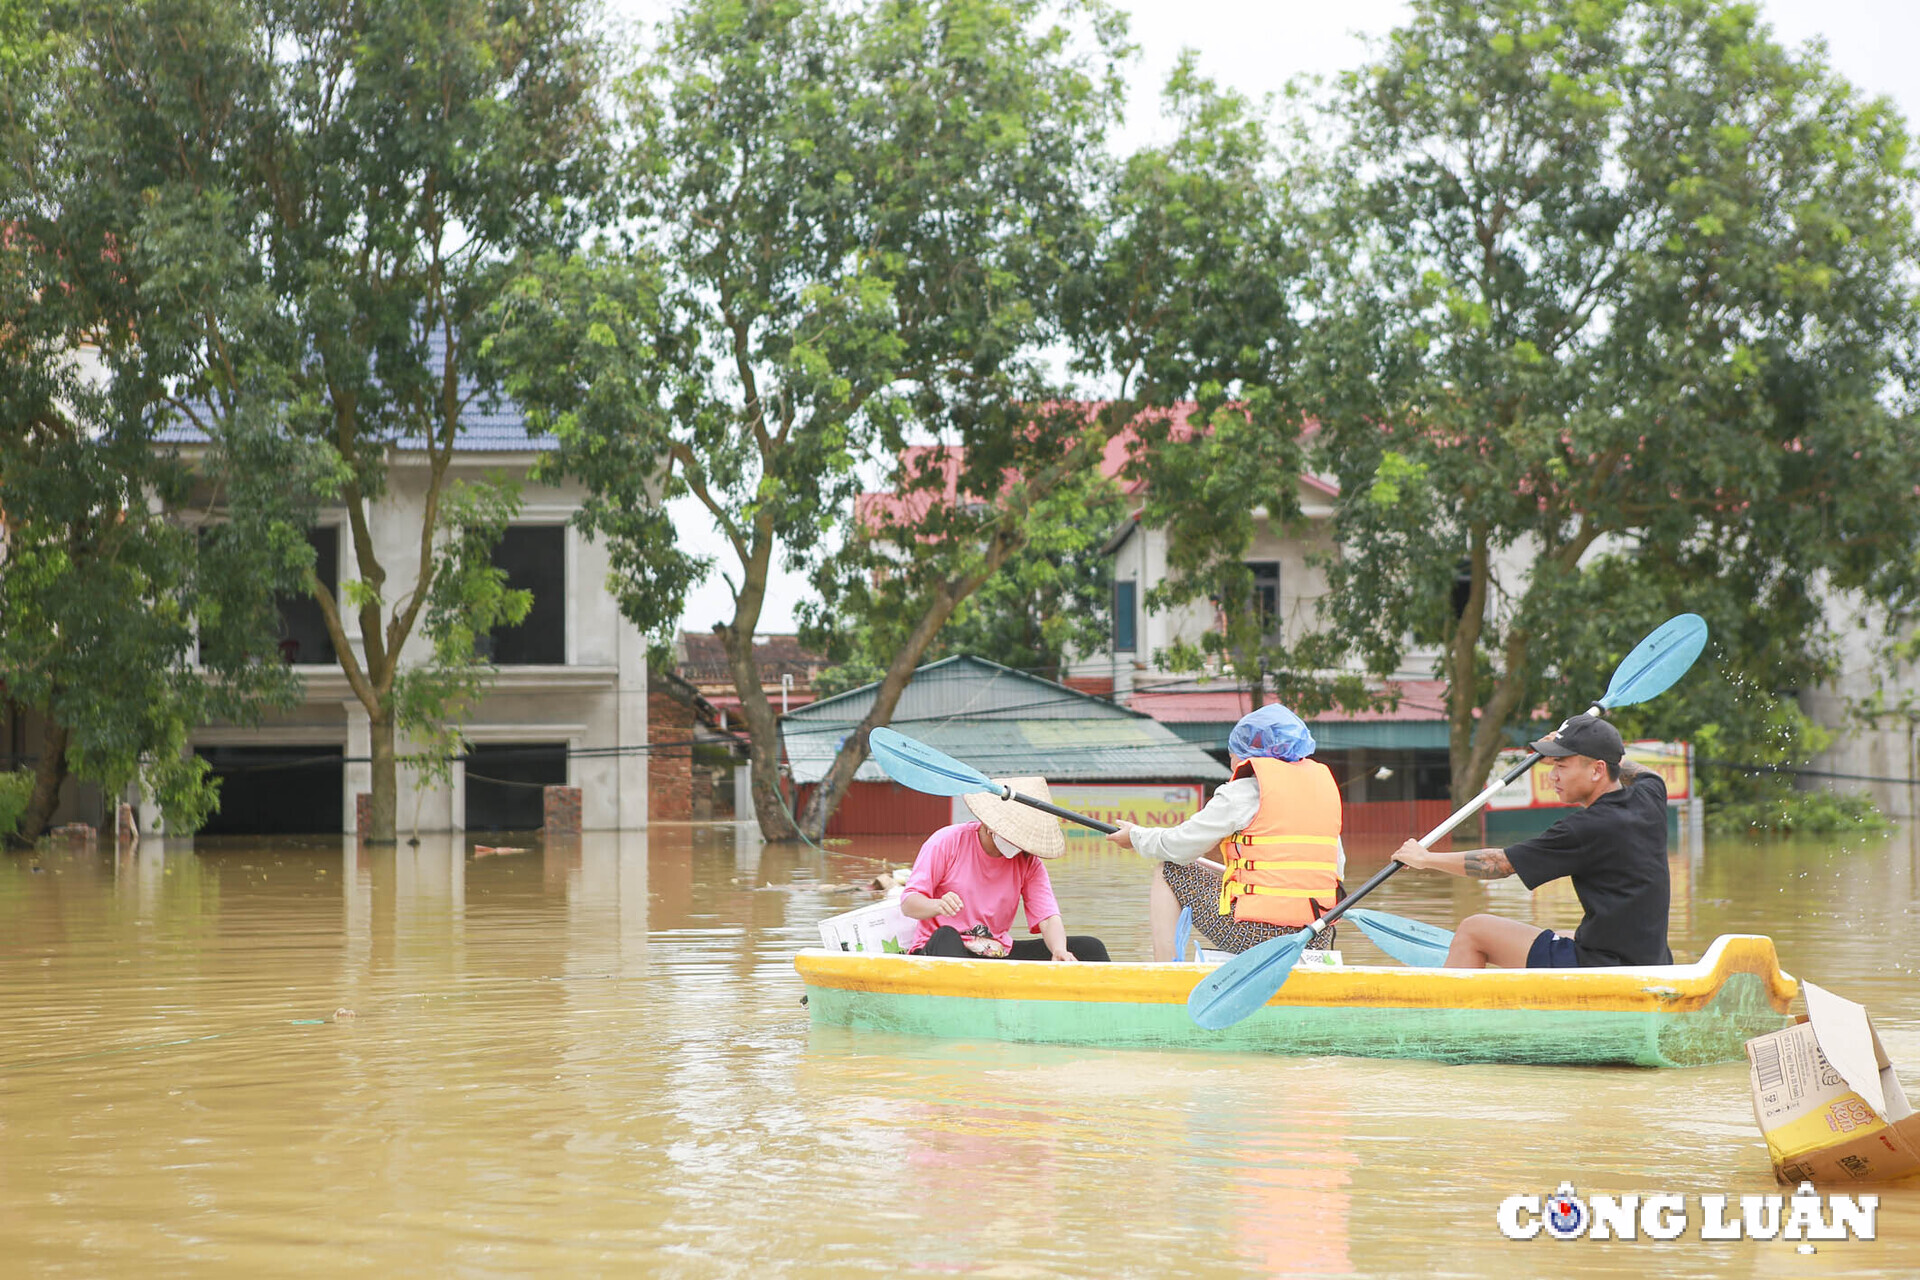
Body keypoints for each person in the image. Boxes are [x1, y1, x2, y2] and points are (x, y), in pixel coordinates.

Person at [1390, 714, 1671, 969]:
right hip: (1650, 960)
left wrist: (1424, 859)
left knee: (1473, 930)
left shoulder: (1584, 828)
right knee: (1562, 933)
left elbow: (1499, 864)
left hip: (1603, 968)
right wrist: (1578, 747)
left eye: (1561, 765)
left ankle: (1448, 1023)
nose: (1552, 776)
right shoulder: (1650, 797)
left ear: (1597, 770)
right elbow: (1638, 770)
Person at [1107, 704, 1344, 962]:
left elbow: (1179, 846)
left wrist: (1135, 837)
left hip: (1256, 933)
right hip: (1316, 935)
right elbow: (1335, 870)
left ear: (1249, 753)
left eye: (1232, 754)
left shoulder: (1244, 791)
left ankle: (1166, 969)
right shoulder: (1322, 795)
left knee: (1169, 870)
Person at [900, 776, 1110, 962]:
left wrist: (1059, 950)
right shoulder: (947, 842)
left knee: (1090, 948)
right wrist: (937, 905)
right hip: (943, 950)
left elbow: (1047, 916)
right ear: (991, 825)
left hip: (994, 952)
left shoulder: (1027, 860)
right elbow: (909, 904)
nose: (1019, 845)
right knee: (946, 935)